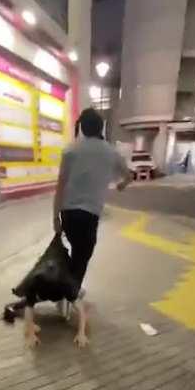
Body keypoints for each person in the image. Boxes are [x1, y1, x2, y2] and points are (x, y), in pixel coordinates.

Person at [53, 108, 132, 296]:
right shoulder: (111, 152)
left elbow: (60, 186)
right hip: (89, 215)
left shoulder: (70, 150)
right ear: (101, 128)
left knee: (76, 252)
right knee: (82, 256)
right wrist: (121, 185)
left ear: (82, 127)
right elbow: (129, 176)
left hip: (68, 213)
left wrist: (55, 217)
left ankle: (66, 289)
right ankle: (68, 292)